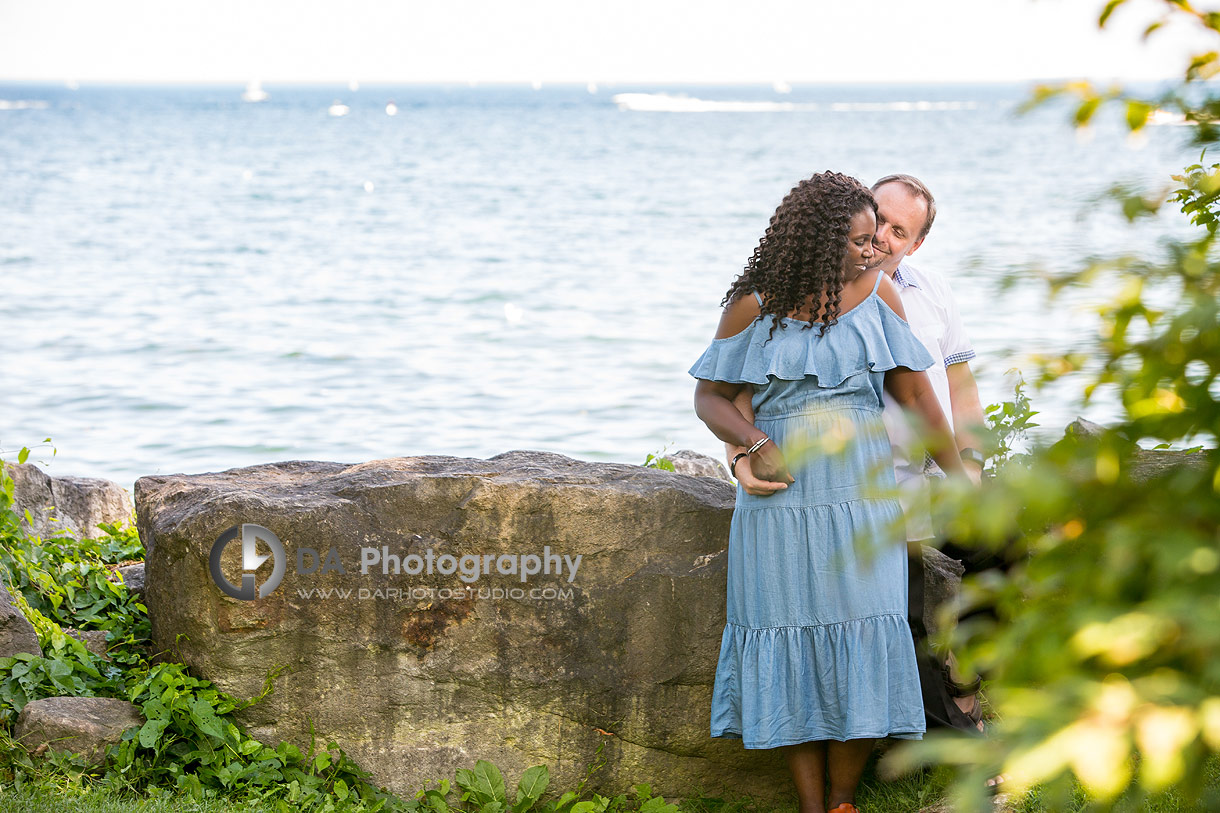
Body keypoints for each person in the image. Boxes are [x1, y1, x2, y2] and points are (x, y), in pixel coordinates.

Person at [688, 171, 968, 813]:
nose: (873, 253)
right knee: (792, 640)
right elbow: (709, 396)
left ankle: (844, 800)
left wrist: (962, 480)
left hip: (863, 499)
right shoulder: (754, 307)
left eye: (878, 240)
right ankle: (812, 806)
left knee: (867, 636)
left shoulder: (879, 298)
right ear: (818, 241)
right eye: (860, 241)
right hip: (780, 505)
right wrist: (754, 443)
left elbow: (920, 399)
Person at [731, 174, 991, 735]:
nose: (882, 241)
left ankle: (969, 680)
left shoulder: (921, 292)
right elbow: (741, 394)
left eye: (899, 232)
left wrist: (967, 467)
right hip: (868, 491)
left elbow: (952, 390)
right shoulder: (792, 296)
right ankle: (948, 740)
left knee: (1007, 548)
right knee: (898, 617)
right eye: (877, 224)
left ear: (915, 242)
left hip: (926, 480)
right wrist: (741, 453)